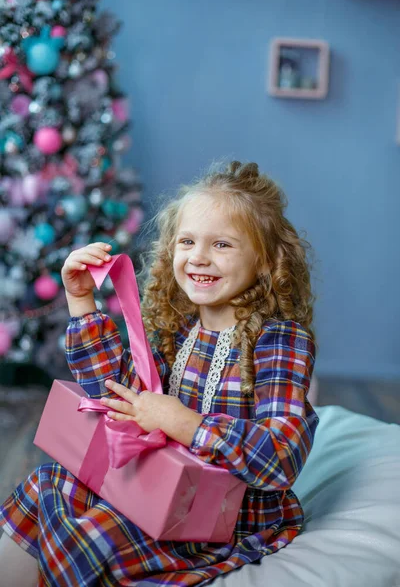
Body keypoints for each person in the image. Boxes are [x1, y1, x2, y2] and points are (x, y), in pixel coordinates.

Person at [0, 160, 319, 587]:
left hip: (221, 518)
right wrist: (81, 302)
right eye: (187, 241)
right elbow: (117, 393)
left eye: (222, 244)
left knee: (96, 536)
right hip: (158, 485)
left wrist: (182, 422)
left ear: (264, 261)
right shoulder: (178, 328)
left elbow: (281, 455)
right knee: (46, 484)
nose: (199, 256)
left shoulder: (277, 340)